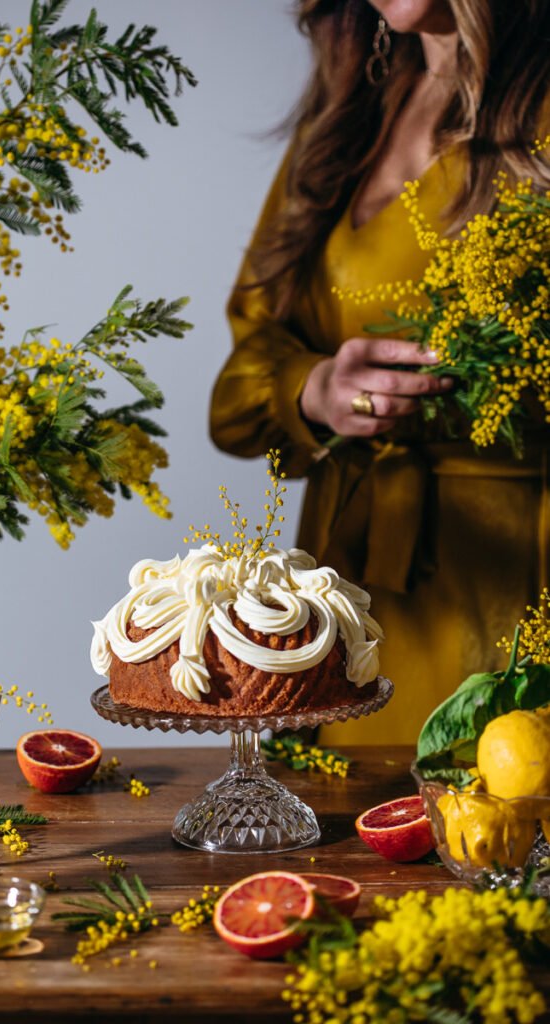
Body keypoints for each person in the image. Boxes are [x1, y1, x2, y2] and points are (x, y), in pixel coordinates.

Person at [209, 0, 550, 745]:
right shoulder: (344, 120)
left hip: (504, 594)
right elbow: (237, 389)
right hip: (339, 594)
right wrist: (312, 387)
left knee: (482, 829)